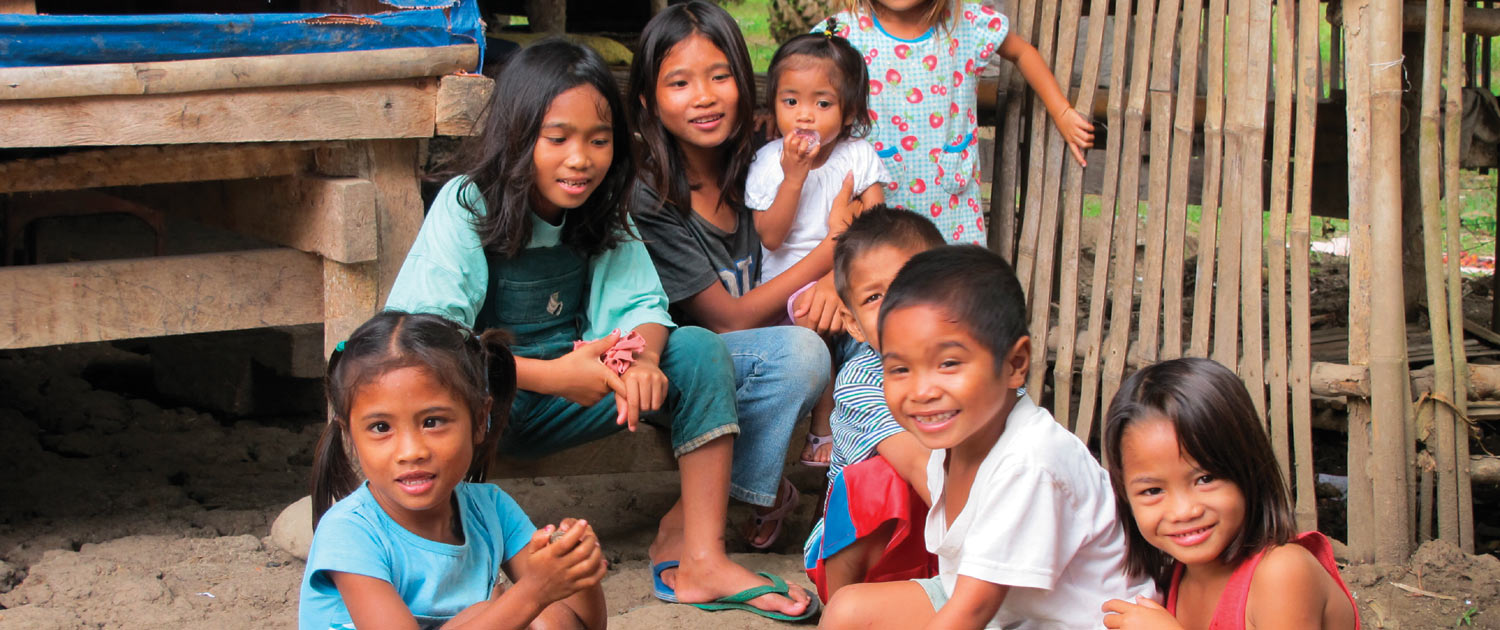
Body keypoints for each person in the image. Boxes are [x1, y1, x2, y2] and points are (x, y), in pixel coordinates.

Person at [384, 39, 815, 621]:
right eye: (557, 138)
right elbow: (430, 347)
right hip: (482, 409)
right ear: (517, 135)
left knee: (696, 349)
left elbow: (643, 305)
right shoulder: (470, 205)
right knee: (428, 383)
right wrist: (553, 375)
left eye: (599, 139)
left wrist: (640, 360)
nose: (580, 159)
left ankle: (702, 558)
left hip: (583, 393)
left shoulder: (605, 204)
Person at [821, 246, 1155, 629]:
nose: (922, 390)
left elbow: (971, 612)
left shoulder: (1029, 462)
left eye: (948, 363)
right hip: (1005, 611)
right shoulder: (954, 444)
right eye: (900, 369)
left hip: (1073, 623)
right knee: (849, 611)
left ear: (1015, 365)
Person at [627, 0, 853, 554]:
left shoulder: (769, 159)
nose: (704, 96)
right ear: (648, 102)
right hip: (685, 371)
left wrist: (832, 282)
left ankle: (780, 499)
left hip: (764, 353)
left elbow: (857, 204)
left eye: (720, 76)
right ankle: (716, 506)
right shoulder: (651, 196)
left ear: (744, 82)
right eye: (679, 83)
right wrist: (829, 254)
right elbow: (727, 318)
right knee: (802, 352)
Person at [299, 311, 607, 630]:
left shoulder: (490, 509)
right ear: (350, 435)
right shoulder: (350, 533)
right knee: (506, 608)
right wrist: (533, 592)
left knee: (544, 617)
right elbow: (533, 595)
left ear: (478, 420)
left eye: (432, 422)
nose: (411, 452)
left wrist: (576, 565)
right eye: (381, 427)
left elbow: (580, 624)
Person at [1100, 358, 1360, 630]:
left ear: (1249, 468)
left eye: (1205, 479)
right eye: (1153, 490)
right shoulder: (1175, 576)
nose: (1183, 511)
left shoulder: (1282, 573)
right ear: (1125, 494)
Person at [818, 0, 1094, 244]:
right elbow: (799, 77)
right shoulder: (843, 33)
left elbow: (1021, 52)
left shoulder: (968, 25)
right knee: (884, 286)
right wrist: (775, 114)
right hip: (878, 204)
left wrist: (1062, 111)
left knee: (953, 290)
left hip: (951, 209)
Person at [743, 26, 892, 471]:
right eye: (791, 102)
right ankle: (820, 431)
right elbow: (771, 236)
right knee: (811, 318)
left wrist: (835, 279)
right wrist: (794, 175)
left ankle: (873, 430)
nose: (804, 116)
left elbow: (877, 228)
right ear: (774, 106)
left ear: (848, 114)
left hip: (846, 276)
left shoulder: (858, 155)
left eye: (822, 103)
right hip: (787, 291)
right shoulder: (769, 160)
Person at [802, 206, 944, 601]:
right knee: (879, 479)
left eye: (909, 283)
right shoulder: (862, 382)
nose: (895, 304)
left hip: (945, 548)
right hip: (863, 562)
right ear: (853, 323)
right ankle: (845, 610)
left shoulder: (974, 365)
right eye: (875, 296)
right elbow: (920, 467)